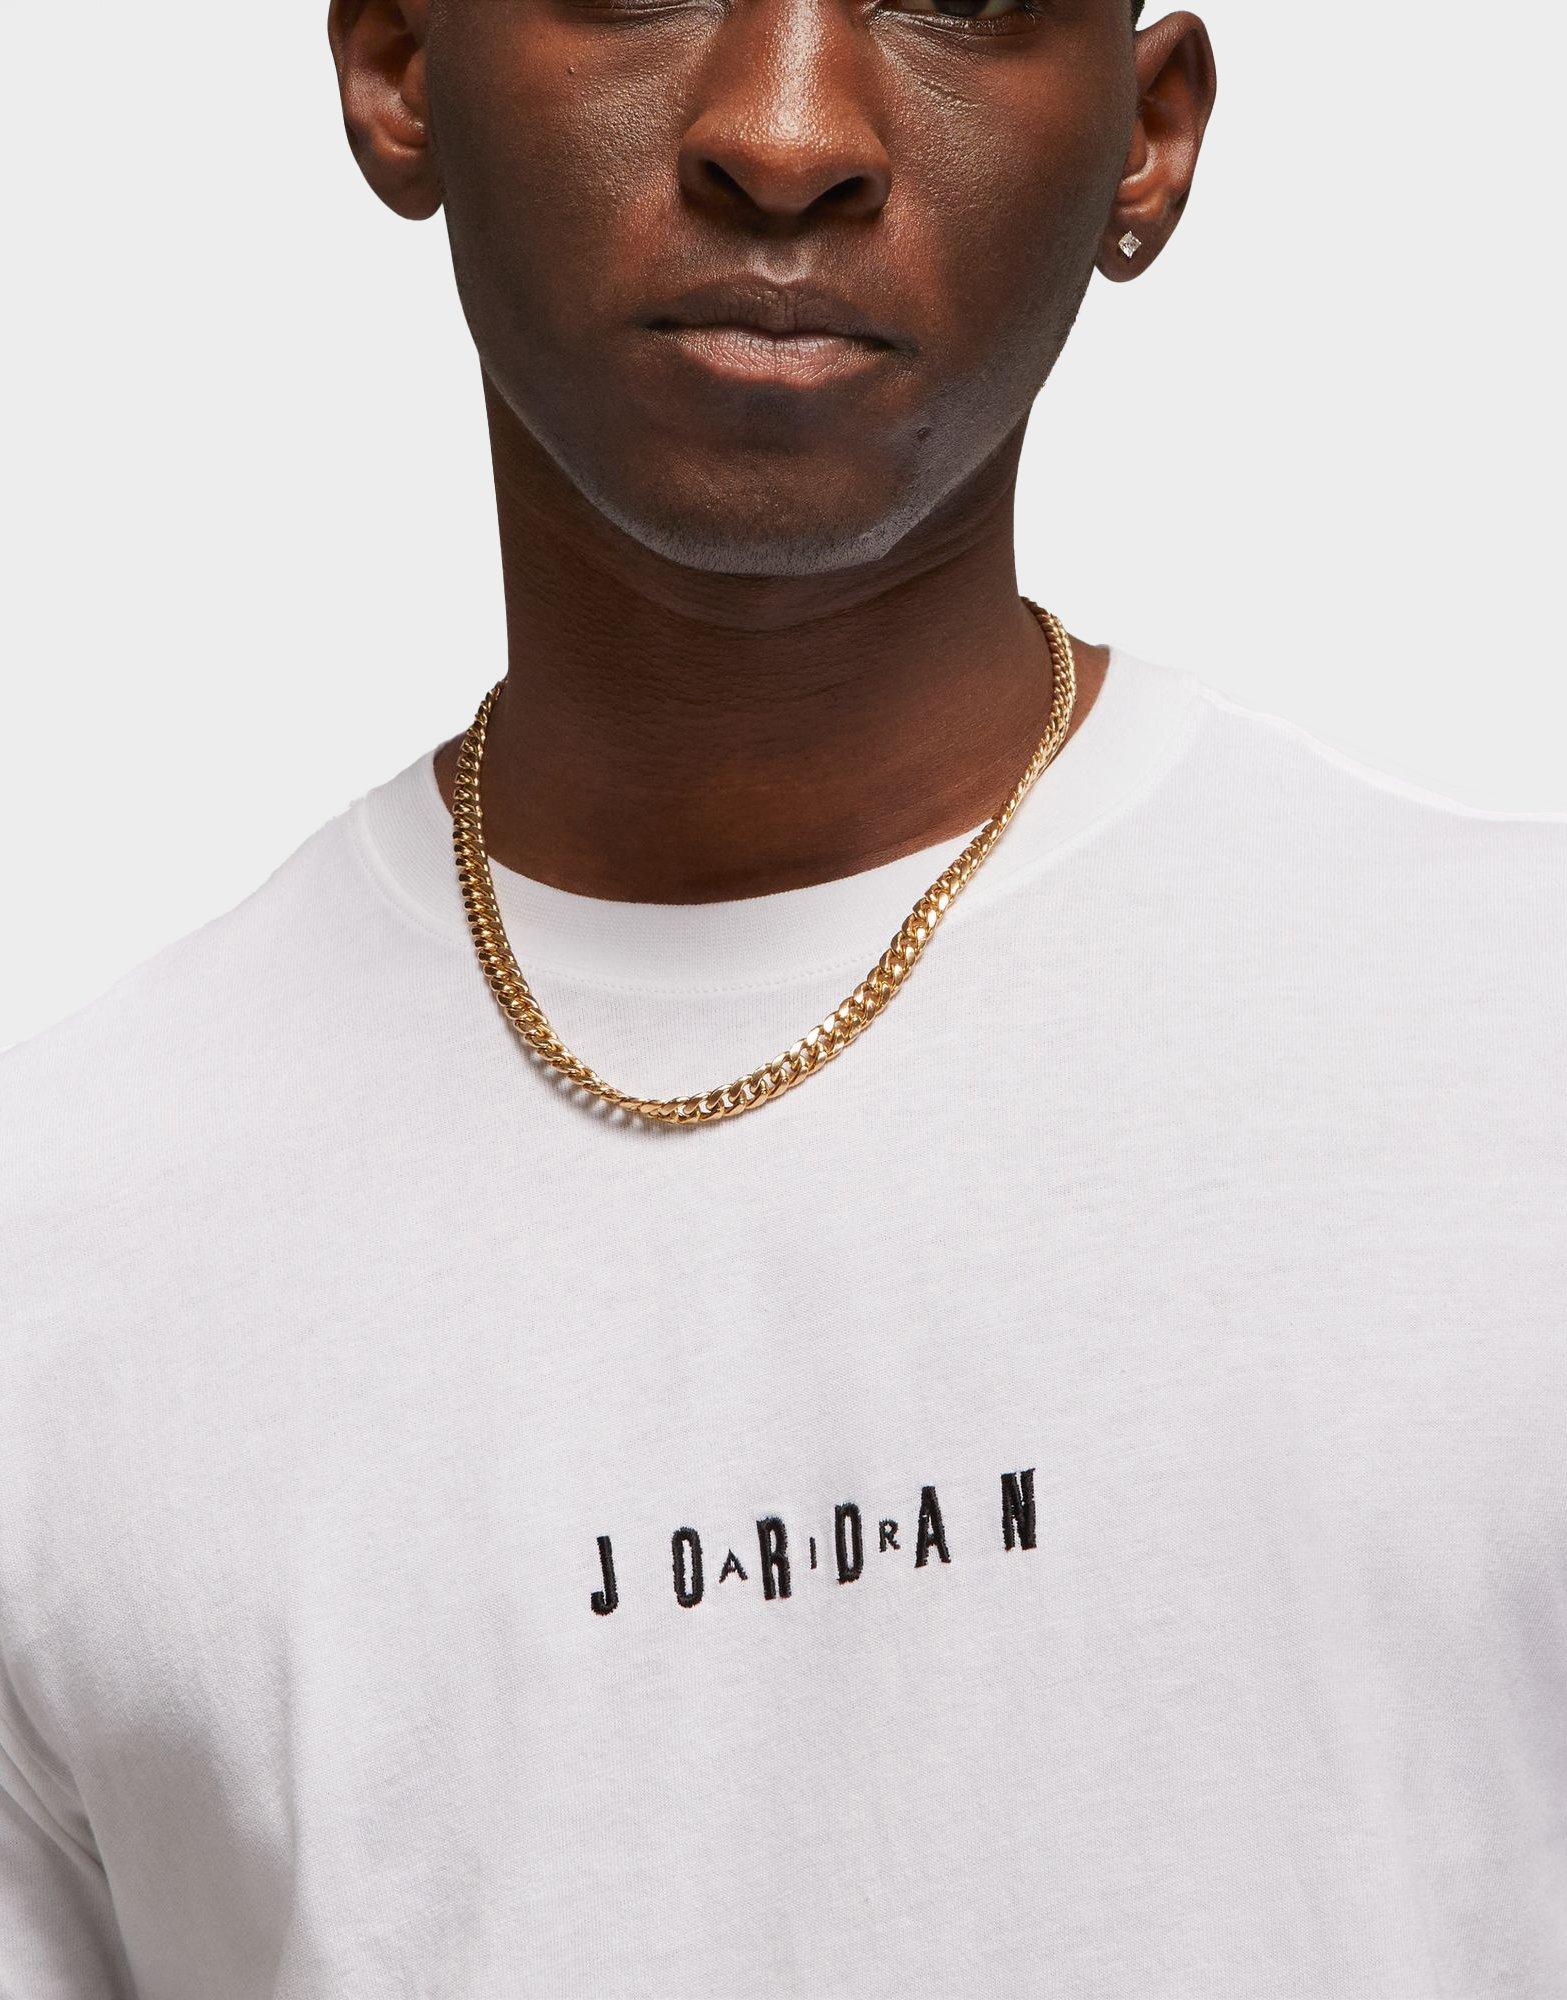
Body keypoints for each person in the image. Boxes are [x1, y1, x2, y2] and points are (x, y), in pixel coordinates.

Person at [2, 0, 1563, 1991]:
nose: (788, 129)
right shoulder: (56, 1263)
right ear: (401, 69)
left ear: (1145, 138)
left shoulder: (1521, 1061)